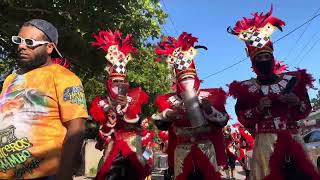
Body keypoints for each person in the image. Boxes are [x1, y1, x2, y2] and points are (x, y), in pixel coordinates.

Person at [227, 6, 320, 180]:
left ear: (273, 57)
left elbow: (305, 110)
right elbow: (242, 117)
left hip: (293, 140)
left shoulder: (293, 81)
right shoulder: (246, 88)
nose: (264, 61)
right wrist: (258, 109)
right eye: (259, 58)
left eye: (266, 57)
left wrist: (296, 102)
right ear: (253, 62)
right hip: (265, 144)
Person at [0, 19, 88, 179]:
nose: (21, 46)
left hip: (46, 175)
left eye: (29, 42)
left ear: (49, 47)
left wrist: (65, 174)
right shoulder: (10, 79)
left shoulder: (65, 77)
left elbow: (77, 128)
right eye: (18, 40)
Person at [152, 32, 229, 180]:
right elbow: (160, 124)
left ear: (196, 76)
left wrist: (209, 109)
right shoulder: (167, 100)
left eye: (189, 77)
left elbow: (223, 120)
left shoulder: (213, 95)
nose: (187, 81)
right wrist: (168, 114)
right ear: (177, 79)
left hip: (206, 147)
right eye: (183, 77)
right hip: (182, 149)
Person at [89, 30, 150, 180]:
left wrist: (128, 110)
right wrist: (109, 123)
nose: (118, 84)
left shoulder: (134, 97)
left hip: (132, 148)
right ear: (109, 82)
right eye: (115, 81)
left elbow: (140, 124)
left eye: (121, 81)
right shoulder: (101, 102)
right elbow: (102, 135)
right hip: (112, 149)